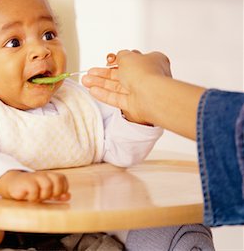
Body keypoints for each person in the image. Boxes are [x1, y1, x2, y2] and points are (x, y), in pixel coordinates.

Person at [0, 0, 214, 250]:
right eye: (14, 42)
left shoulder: (74, 100)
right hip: (1, 234)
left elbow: (119, 152)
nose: (41, 50)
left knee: (183, 234)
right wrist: (6, 179)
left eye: (48, 34)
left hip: (81, 231)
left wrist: (135, 114)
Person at [82, 49, 244, 227]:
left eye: (50, 35)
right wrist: (149, 87)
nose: (45, 51)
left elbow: (120, 149)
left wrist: (145, 94)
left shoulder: (79, 105)